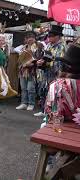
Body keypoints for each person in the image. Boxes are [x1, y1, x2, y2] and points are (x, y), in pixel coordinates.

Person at [42, 42, 80, 173]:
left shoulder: (58, 85)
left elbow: (52, 114)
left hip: (62, 131)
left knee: (47, 126)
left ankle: (50, 165)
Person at [35, 25, 66, 116]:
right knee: (44, 91)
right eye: (49, 36)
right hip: (46, 72)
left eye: (51, 36)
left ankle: (52, 112)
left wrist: (52, 60)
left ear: (57, 36)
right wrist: (41, 61)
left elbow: (62, 61)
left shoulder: (62, 47)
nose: (49, 37)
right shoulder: (48, 45)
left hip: (56, 74)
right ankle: (43, 110)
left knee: (53, 93)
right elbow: (44, 57)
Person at [16, 32, 37, 111]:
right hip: (23, 70)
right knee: (23, 87)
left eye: (32, 38)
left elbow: (38, 58)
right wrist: (22, 64)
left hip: (32, 70)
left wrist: (29, 63)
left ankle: (31, 104)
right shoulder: (23, 48)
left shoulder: (37, 47)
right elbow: (20, 59)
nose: (30, 40)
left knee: (30, 88)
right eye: (28, 38)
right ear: (26, 40)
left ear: (34, 39)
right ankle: (24, 103)